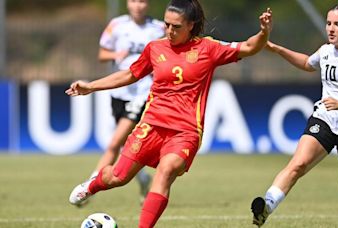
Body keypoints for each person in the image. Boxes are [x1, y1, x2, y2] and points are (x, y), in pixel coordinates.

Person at [66, 0, 273, 227]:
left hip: (185, 132)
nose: (170, 31)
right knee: (118, 176)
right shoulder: (155, 48)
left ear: (191, 25)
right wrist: (91, 87)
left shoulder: (208, 48)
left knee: (165, 171)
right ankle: (92, 185)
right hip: (151, 125)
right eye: (167, 25)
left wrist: (263, 33)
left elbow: (249, 47)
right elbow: (129, 75)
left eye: (176, 27)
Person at [251, 5, 338, 227]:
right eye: (329, 23)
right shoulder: (326, 50)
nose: (331, 29)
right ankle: (267, 205)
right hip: (326, 119)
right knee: (297, 165)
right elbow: (306, 63)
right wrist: (275, 48)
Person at [88, 0, 165, 205]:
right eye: (133, 0)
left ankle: (89, 186)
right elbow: (102, 54)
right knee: (124, 144)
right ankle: (142, 178)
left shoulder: (159, 28)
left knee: (114, 142)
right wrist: (115, 54)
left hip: (143, 92)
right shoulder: (116, 25)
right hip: (119, 91)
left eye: (142, 1)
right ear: (127, 3)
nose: (138, 5)